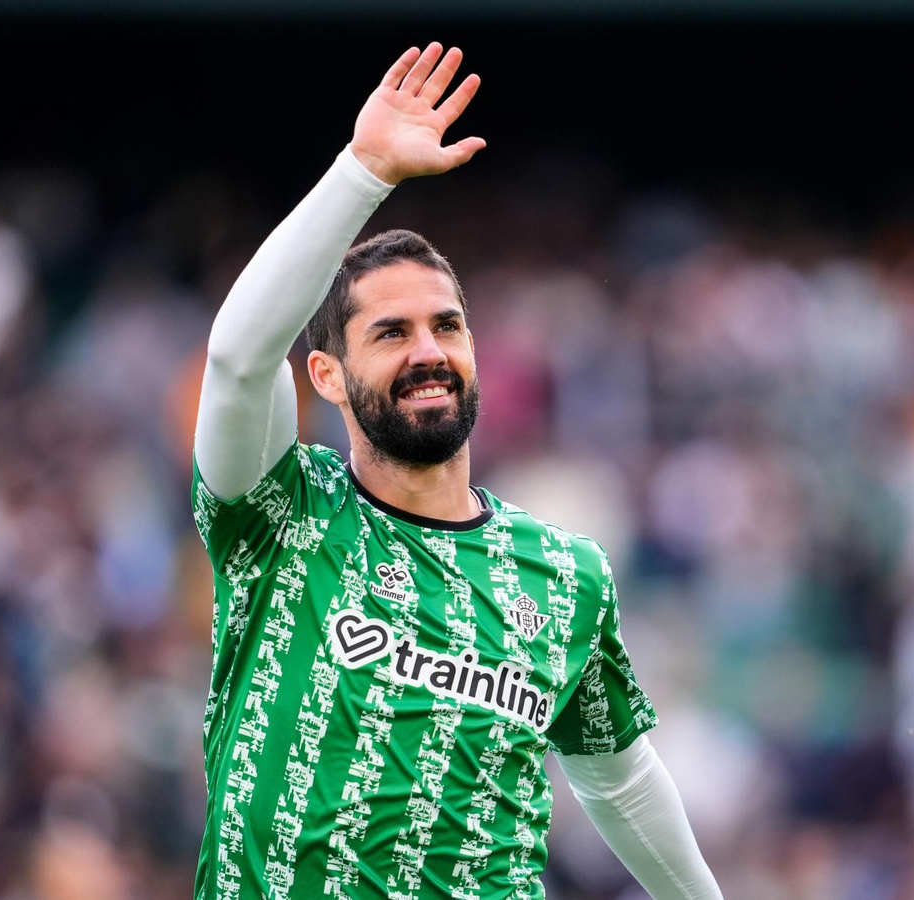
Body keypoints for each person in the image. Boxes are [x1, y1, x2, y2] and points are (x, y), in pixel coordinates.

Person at [190, 42, 722, 900]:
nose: (429, 352)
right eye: (391, 333)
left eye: (448, 326)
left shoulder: (562, 573)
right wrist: (362, 171)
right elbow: (239, 358)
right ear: (327, 375)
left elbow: (618, 779)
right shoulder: (281, 515)